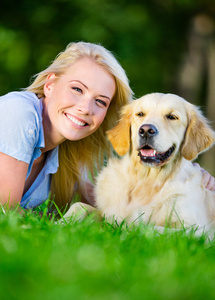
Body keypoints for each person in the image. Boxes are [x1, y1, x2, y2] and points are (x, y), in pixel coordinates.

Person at [0, 41, 214, 214]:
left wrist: (189, 179)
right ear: (50, 85)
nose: (85, 108)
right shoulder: (18, 112)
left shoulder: (69, 149)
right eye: (77, 89)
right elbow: (5, 209)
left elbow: (106, 207)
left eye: (100, 101)